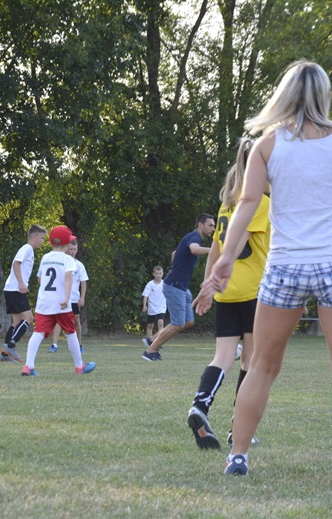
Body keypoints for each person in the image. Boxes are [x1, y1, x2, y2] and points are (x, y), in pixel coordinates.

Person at [196, 60, 332, 482]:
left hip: (285, 268)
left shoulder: (268, 145)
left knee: (261, 365)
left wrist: (226, 256)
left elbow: (246, 204)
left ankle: (239, 457)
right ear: (324, 94)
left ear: (284, 95)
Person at [188, 137, 269, 450]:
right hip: (253, 290)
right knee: (250, 361)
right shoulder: (261, 203)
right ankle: (239, 428)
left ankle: (199, 406)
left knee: (223, 357)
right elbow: (236, 246)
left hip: (225, 291)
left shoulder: (226, 205)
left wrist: (208, 286)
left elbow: (217, 252)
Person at [21, 226, 96, 376]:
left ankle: (28, 366)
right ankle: (79, 366)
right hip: (62, 303)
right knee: (70, 332)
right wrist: (67, 297)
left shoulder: (45, 258)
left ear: (50, 242)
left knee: (38, 333)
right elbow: (68, 277)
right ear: (68, 244)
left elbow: (40, 278)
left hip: (44, 302)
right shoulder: (68, 259)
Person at [141, 213, 215, 361]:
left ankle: (152, 339)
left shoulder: (191, 237)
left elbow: (175, 253)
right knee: (178, 323)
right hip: (175, 286)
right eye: (210, 225)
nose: (213, 228)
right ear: (200, 225)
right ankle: (150, 351)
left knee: (188, 321)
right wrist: (214, 250)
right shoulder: (194, 237)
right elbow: (194, 249)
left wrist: (174, 269)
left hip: (181, 287)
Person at [0, 224, 47, 362]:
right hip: (15, 289)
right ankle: (11, 346)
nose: (43, 241)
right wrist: (21, 283)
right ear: (35, 237)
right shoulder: (27, 248)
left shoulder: (29, 250)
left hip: (11, 289)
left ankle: (4, 355)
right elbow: (16, 263)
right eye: (42, 238)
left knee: (17, 322)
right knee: (29, 318)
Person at [48, 237, 88, 353]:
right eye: (70, 249)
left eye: (75, 249)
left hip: (74, 298)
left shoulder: (79, 265)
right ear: (66, 249)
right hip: (62, 297)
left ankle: (79, 345)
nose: (73, 252)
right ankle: (54, 345)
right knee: (58, 320)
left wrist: (82, 297)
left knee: (76, 320)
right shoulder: (61, 262)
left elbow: (83, 282)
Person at [141, 266, 166, 343]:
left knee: (160, 323)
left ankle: (159, 341)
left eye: (160, 273)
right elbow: (145, 295)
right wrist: (144, 305)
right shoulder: (150, 284)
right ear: (153, 274)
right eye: (157, 273)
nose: (158, 275)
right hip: (152, 307)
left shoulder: (164, 283)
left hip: (161, 307)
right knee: (150, 325)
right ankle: (149, 341)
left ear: (162, 274)